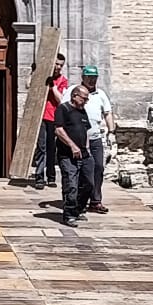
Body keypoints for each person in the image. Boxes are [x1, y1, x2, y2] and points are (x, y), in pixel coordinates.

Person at [53, 83, 94, 227]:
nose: (86, 101)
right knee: (71, 184)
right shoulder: (63, 109)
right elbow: (59, 130)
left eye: (87, 99)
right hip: (67, 155)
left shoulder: (82, 111)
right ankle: (69, 214)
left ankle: (78, 209)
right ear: (75, 96)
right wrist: (72, 145)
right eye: (84, 98)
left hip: (84, 154)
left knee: (89, 184)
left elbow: (85, 130)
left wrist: (87, 147)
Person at [81, 64, 115, 213]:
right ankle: (79, 201)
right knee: (82, 170)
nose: (92, 80)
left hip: (96, 137)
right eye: (89, 77)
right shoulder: (75, 91)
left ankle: (95, 201)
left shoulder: (100, 94)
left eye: (94, 78)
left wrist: (111, 132)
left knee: (99, 167)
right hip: (79, 139)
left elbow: (107, 113)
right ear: (83, 77)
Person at [30, 53, 68, 187]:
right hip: (41, 116)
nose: (58, 67)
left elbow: (61, 99)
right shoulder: (42, 76)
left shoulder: (63, 80)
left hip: (54, 117)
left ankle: (51, 176)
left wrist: (53, 87)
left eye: (61, 65)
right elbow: (28, 86)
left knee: (52, 147)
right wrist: (33, 74)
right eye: (56, 64)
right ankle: (39, 177)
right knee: (42, 147)